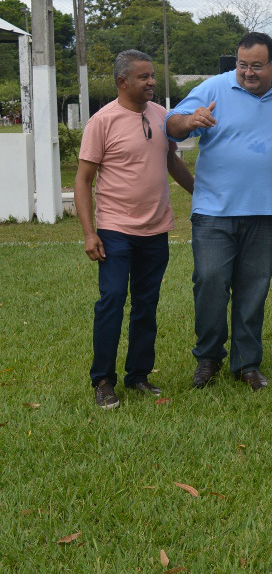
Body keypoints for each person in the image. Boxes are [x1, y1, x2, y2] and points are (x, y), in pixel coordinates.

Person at [166, 32, 272, 391]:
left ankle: (247, 364)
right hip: (213, 211)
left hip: (266, 212)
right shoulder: (214, 88)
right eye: (243, 65)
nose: (248, 72)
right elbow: (170, 123)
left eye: (257, 65)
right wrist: (190, 121)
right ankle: (208, 357)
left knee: (253, 290)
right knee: (209, 281)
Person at [74, 49, 194, 409]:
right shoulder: (103, 121)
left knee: (147, 304)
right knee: (111, 301)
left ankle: (138, 375)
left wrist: (202, 194)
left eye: (153, 75)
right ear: (122, 82)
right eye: (143, 77)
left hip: (156, 230)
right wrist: (89, 232)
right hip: (114, 231)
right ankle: (103, 380)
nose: (152, 82)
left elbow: (172, 161)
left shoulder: (161, 116)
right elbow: (83, 180)